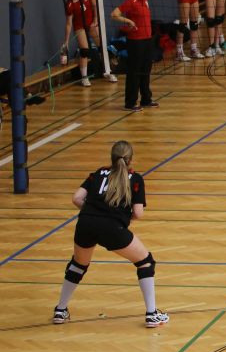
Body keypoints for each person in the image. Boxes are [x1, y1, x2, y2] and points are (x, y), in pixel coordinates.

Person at [52, 140, 168, 328]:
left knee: (78, 264)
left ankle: (60, 310)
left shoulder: (98, 173)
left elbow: (76, 198)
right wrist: (119, 217)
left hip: (86, 223)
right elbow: (138, 213)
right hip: (112, 228)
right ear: (130, 159)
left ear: (111, 158)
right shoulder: (135, 179)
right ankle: (151, 314)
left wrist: (92, 211)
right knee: (145, 262)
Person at [59, 0, 117, 85]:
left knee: (102, 48)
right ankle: (84, 77)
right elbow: (69, 24)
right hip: (80, 27)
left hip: (91, 24)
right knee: (84, 51)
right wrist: (66, 41)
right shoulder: (70, 4)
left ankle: (107, 72)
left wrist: (95, 19)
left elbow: (95, 5)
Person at [111, 0, 157, 112]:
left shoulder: (145, 0)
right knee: (134, 72)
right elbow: (114, 14)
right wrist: (128, 21)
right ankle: (130, 103)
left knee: (146, 70)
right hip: (136, 41)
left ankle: (146, 99)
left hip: (147, 40)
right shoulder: (131, 1)